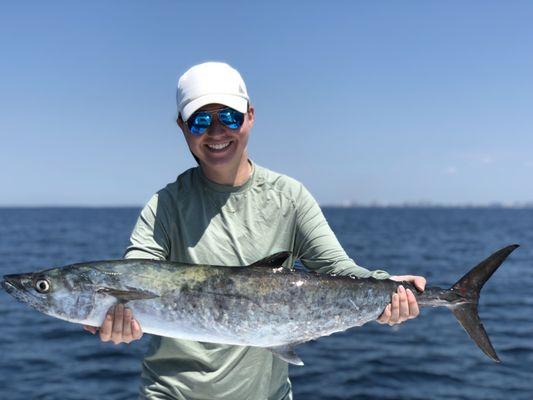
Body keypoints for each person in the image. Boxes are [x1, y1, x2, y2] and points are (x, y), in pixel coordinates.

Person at [84, 62, 426, 400]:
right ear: (182, 126)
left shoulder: (289, 197)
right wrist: (115, 318)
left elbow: (338, 269)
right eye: (201, 120)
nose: (216, 133)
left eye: (229, 117)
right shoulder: (165, 205)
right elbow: (134, 273)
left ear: (250, 115)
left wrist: (387, 285)